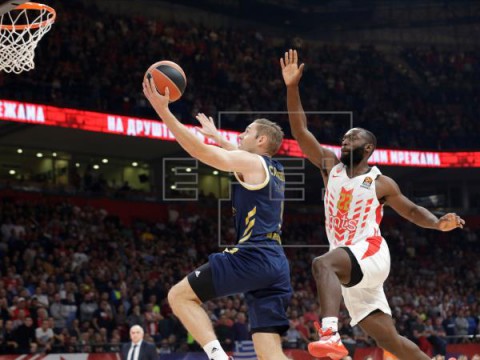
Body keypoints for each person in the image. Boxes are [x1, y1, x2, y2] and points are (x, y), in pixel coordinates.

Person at [280, 49, 465, 360]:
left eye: (351, 139)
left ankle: (330, 334)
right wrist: (292, 87)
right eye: (343, 138)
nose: (344, 141)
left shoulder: (381, 182)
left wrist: (435, 222)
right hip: (350, 267)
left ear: (367, 148)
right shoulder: (330, 167)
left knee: (321, 263)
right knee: (391, 341)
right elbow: (300, 131)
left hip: (369, 252)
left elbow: (410, 210)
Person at [143, 77, 292, 360]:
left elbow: (201, 153)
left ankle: (217, 357)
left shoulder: (252, 162)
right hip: (277, 264)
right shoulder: (276, 168)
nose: (240, 136)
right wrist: (218, 137)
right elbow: (238, 153)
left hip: (253, 256)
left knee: (179, 296)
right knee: (269, 352)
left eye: (247, 132)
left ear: (261, 140)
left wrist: (164, 112)